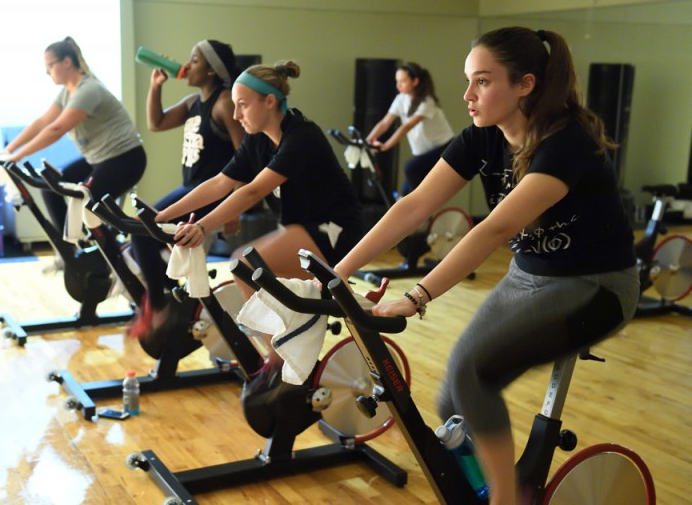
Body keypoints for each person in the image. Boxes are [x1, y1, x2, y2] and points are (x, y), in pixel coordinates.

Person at [333, 27, 639, 504]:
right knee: (453, 402)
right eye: (467, 81)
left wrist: (415, 297)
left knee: (472, 375)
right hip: (529, 276)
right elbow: (414, 207)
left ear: (525, 85)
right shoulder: (483, 138)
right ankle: (496, 484)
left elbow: (493, 231)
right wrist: (340, 270)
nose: (467, 95)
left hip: (596, 285)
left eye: (482, 81)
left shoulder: (566, 143)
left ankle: (504, 499)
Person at [157, 60, 363, 358]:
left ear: (269, 101)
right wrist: (161, 215)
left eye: (242, 105)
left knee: (245, 265)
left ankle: (278, 358)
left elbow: (253, 190)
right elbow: (219, 183)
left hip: (337, 231)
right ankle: (282, 349)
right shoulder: (258, 141)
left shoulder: (302, 136)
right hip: (301, 229)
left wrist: (202, 227)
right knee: (248, 268)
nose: (236, 114)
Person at [128, 39, 246, 336]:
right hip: (192, 189)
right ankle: (171, 297)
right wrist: (156, 85)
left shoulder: (223, 103)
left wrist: (234, 208)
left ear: (211, 71)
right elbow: (156, 122)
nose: (187, 64)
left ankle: (158, 306)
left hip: (213, 193)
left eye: (195, 60)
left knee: (141, 232)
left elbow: (245, 157)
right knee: (145, 236)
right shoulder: (194, 103)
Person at [5, 37, 147, 256]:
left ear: (67, 62)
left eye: (49, 65)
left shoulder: (88, 90)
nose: (47, 72)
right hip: (99, 160)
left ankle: (114, 260)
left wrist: (17, 157)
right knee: (49, 187)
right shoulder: (66, 93)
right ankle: (72, 250)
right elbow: (43, 122)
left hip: (126, 160)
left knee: (87, 203)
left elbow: (56, 129)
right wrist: (9, 150)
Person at [365, 62, 454, 196]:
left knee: (410, 168)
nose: (398, 85)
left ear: (415, 81)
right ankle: (421, 211)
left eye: (402, 81)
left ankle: (425, 208)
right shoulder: (400, 99)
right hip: (423, 152)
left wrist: (386, 146)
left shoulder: (427, 101)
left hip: (444, 148)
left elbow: (407, 126)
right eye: (397, 81)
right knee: (404, 195)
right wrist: (368, 140)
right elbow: (385, 122)